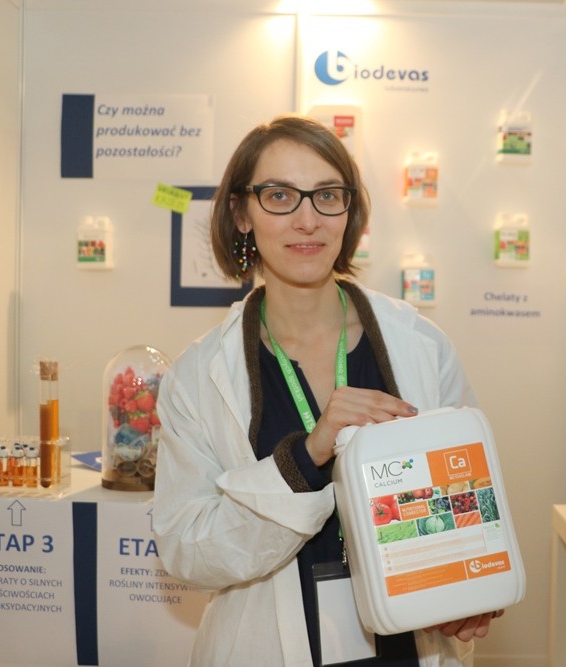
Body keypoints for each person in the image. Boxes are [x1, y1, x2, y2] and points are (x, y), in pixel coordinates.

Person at [153, 114, 501, 666]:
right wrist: (305, 459)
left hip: (406, 645)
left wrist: (472, 589)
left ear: (349, 211)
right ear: (241, 214)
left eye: (327, 195)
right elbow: (186, 551)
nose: (307, 219)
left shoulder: (420, 344)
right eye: (279, 196)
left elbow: (472, 497)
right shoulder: (197, 376)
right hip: (267, 646)